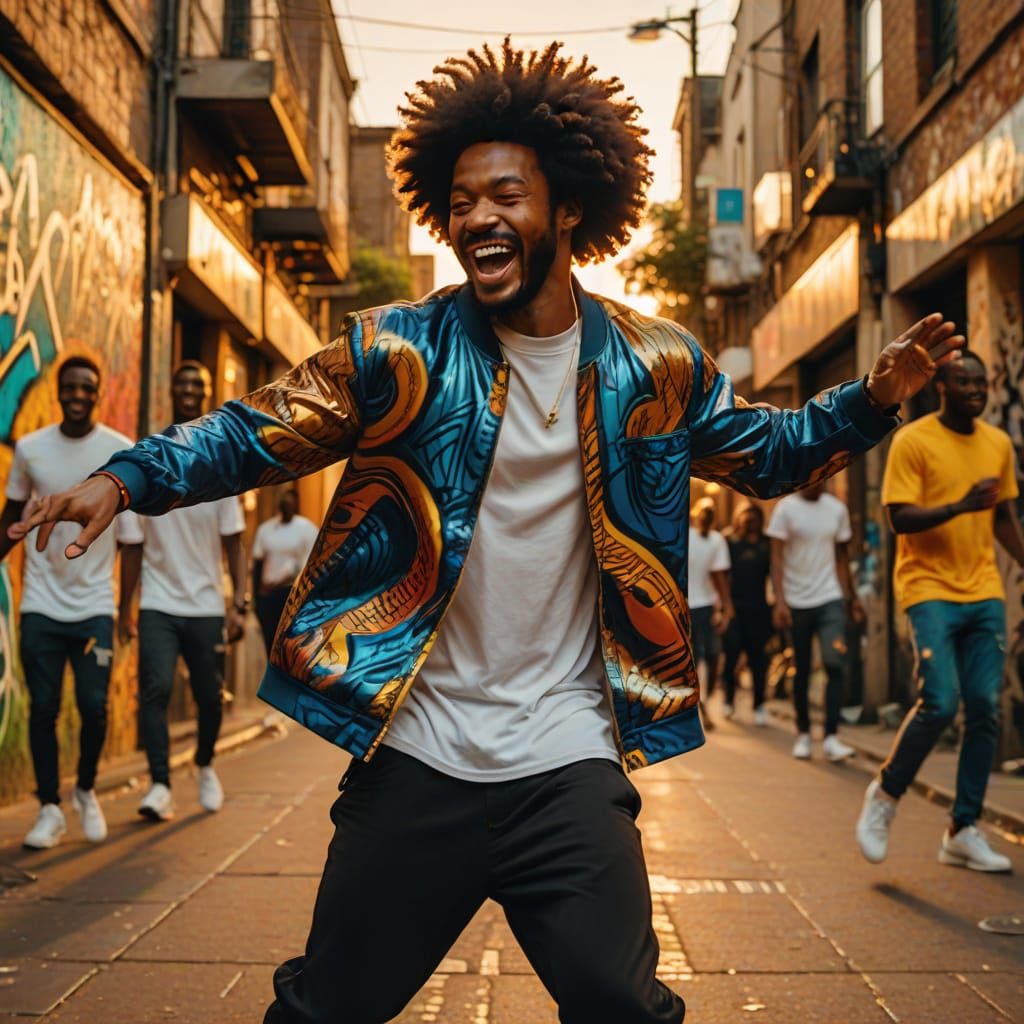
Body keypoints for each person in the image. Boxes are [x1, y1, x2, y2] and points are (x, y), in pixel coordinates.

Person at [11, 41, 963, 1024]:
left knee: (623, 1006)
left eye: (503, 195)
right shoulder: (398, 350)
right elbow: (254, 430)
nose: (476, 218)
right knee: (326, 1008)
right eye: (460, 201)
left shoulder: (655, 365)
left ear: (568, 209)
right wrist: (125, 477)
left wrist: (872, 399)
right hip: (419, 750)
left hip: (568, 756)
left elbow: (771, 452)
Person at [856, 351, 1024, 872]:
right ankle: (884, 794)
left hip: (983, 590)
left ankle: (962, 828)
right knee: (941, 701)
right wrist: (958, 506)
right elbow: (900, 518)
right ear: (941, 388)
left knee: (985, 709)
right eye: (963, 381)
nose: (975, 389)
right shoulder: (913, 441)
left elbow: (1002, 517)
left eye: (981, 381)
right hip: (927, 588)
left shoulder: (997, 444)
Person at [0, 356, 143, 849]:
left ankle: (84, 790)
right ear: (59, 391)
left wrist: (125, 610)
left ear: (97, 393)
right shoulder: (32, 450)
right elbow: (11, 518)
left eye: (88, 387)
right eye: (71, 387)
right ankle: (48, 808)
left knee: (94, 707)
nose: (78, 394)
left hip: (94, 605)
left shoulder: (119, 452)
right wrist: (9, 538)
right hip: (40, 602)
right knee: (44, 708)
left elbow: (133, 540)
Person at [117, 361, 248, 822]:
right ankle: (159, 785)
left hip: (205, 603)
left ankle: (205, 764)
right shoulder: (148, 457)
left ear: (207, 392)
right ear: (171, 392)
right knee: (153, 689)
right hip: (157, 601)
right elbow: (131, 546)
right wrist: (125, 609)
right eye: (183, 384)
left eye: (199, 384)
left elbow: (234, 541)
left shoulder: (222, 463)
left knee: (210, 697)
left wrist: (239, 602)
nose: (190, 390)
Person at [766, 480, 863, 761]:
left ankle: (832, 737)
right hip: (796, 602)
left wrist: (852, 599)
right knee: (803, 667)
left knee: (834, 663)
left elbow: (842, 558)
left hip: (830, 597)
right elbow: (776, 559)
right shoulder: (785, 510)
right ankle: (804, 734)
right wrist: (780, 601)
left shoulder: (836, 509)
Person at [722, 504, 773, 725]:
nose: (750, 522)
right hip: (734, 608)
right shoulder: (729, 542)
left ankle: (759, 705)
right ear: (738, 519)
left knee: (758, 659)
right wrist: (723, 607)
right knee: (731, 656)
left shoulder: (766, 544)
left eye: (754, 519)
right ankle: (728, 701)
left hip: (760, 609)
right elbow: (720, 575)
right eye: (746, 518)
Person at [252, 489, 318, 655]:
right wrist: (256, 598)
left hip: (292, 593)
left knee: (290, 644)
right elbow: (257, 563)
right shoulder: (266, 529)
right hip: (269, 595)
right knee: (270, 640)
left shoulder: (307, 528)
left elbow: (309, 564)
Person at [688, 498, 732, 728]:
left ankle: (706, 700)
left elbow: (720, 576)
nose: (705, 517)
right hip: (686, 607)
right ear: (695, 515)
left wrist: (726, 607)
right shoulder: (685, 536)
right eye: (702, 512)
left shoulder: (717, 541)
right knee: (693, 659)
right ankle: (698, 707)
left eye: (710, 513)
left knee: (714, 656)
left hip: (706, 606)